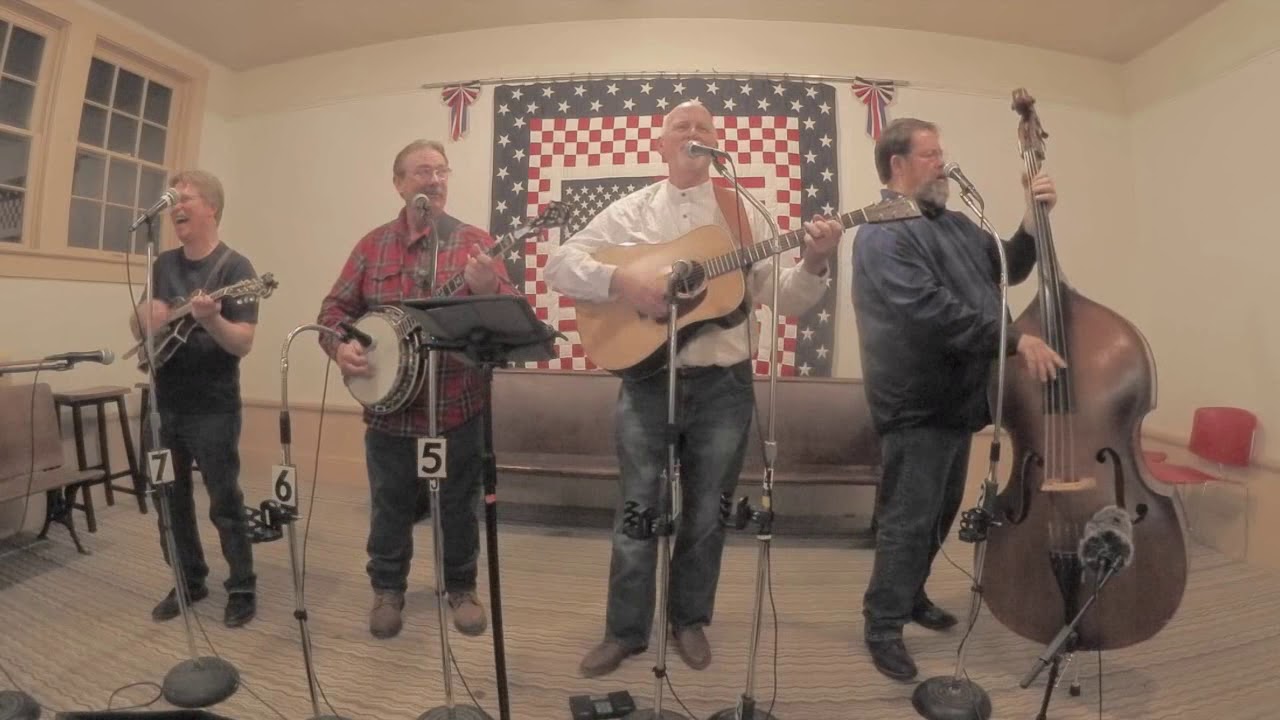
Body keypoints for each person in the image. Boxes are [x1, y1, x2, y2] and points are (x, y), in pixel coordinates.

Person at [545, 101, 846, 678]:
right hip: (647, 378)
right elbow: (561, 263)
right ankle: (626, 631)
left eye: (704, 127)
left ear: (715, 144)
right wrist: (620, 279)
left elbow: (786, 300)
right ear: (661, 146)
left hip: (725, 386)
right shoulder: (629, 212)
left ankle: (689, 620)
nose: (693, 133)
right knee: (638, 505)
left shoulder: (743, 213)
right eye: (681, 127)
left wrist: (814, 259)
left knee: (708, 511)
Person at [850, 118, 1066, 681]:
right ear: (897, 166)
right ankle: (883, 623)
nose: (942, 163)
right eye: (930, 154)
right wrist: (1018, 339)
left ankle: (912, 593)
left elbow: (1009, 267)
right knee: (908, 518)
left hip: (959, 402)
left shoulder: (956, 225)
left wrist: (1029, 216)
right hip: (916, 403)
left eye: (941, 152)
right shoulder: (881, 231)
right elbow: (927, 312)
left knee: (940, 513)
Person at [317, 139, 517, 640]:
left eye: (441, 171)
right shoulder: (372, 245)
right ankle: (388, 588)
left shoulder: (475, 242)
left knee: (457, 504)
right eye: (422, 172)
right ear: (400, 183)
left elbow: (508, 312)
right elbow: (332, 313)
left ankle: (460, 587)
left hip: (456, 405)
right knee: (389, 504)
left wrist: (487, 286)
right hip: (389, 412)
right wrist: (340, 347)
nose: (434, 180)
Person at [129, 170, 260, 628]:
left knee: (224, 499)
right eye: (173, 200)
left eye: (186, 198)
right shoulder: (162, 263)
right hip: (164, 403)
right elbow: (140, 324)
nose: (176, 206)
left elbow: (242, 343)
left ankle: (242, 584)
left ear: (212, 209)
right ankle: (188, 578)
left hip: (214, 406)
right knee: (169, 496)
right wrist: (147, 315)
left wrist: (210, 321)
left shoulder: (236, 270)